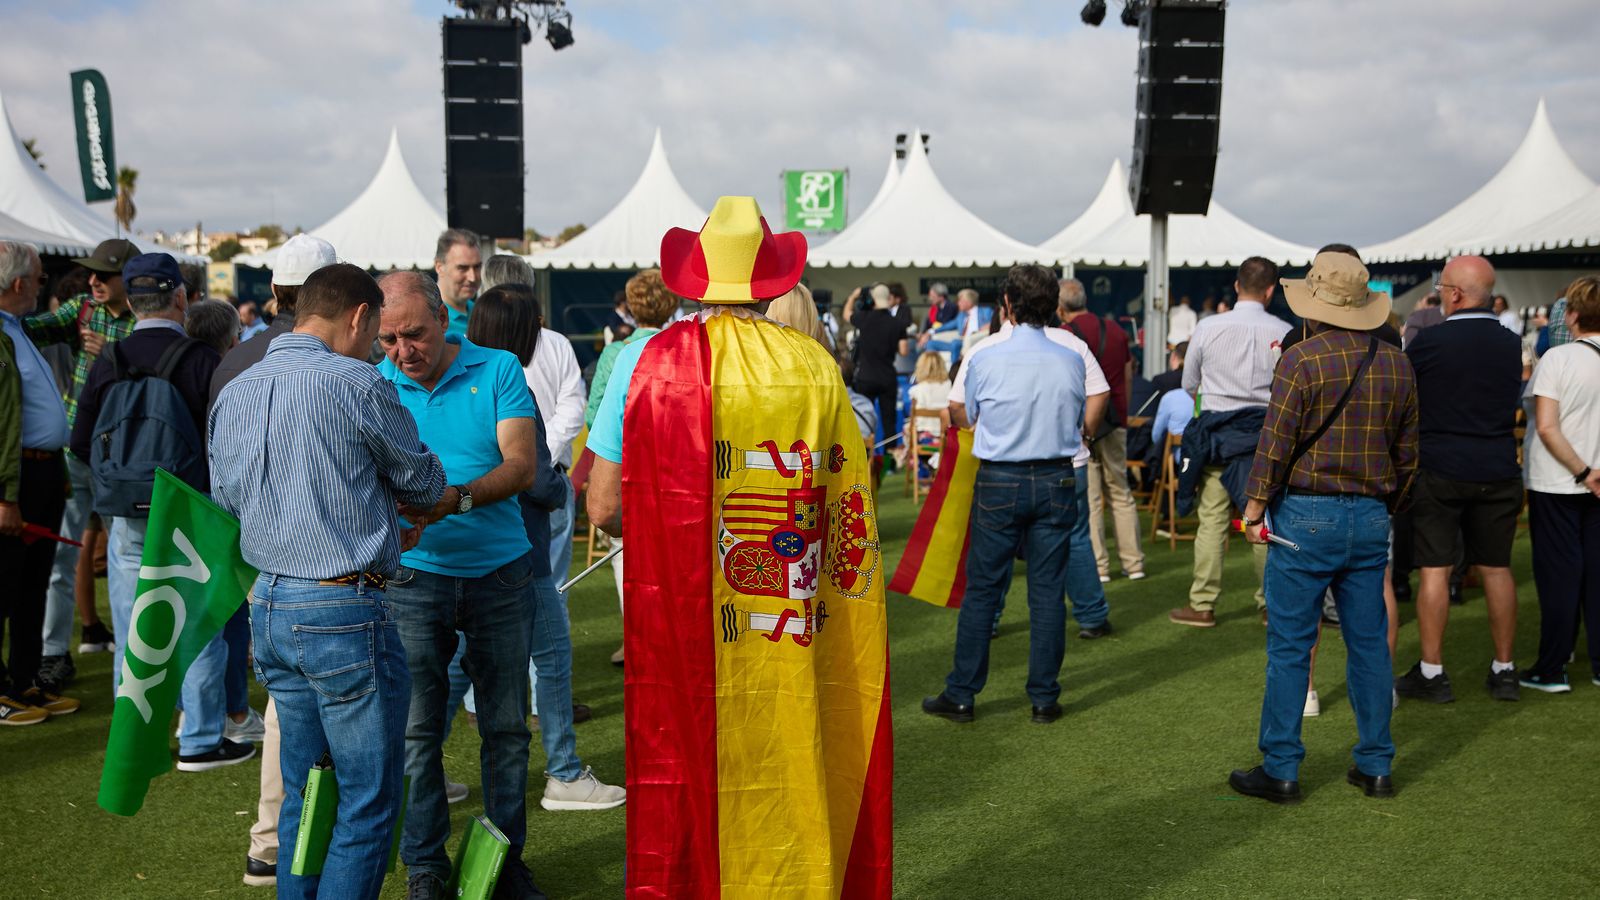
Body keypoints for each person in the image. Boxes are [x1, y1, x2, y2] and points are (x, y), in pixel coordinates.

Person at [585, 196, 891, 897]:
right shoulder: (813, 368)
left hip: (685, 620)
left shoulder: (651, 363)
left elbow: (604, 506)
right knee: (792, 754)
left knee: (684, 769)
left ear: (695, 279)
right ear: (772, 280)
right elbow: (847, 505)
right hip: (788, 620)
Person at [211, 263, 445, 899]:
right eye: (375, 337)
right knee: (363, 803)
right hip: (341, 606)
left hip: (271, 603)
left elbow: (226, 499)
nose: (377, 349)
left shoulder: (238, 385)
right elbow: (422, 483)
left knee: (303, 795)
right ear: (360, 317)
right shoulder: (356, 382)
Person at [371, 271, 544, 899]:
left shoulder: (497, 367)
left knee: (504, 729)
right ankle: (426, 867)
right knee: (418, 730)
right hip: (414, 579)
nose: (400, 350)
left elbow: (521, 465)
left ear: (445, 318)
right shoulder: (374, 382)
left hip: (500, 571)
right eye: (387, 338)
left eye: (413, 334)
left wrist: (454, 500)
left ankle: (502, 864)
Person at [1227, 250, 1416, 805]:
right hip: (1370, 513)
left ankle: (1281, 767)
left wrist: (1254, 510)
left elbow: (1275, 443)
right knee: (1368, 646)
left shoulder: (1302, 359)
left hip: (1307, 513)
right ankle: (1376, 764)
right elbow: (1409, 454)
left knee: (1290, 645)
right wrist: (1386, 506)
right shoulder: (1397, 363)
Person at [72, 253, 244, 771]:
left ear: (128, 299)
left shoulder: (110, 358)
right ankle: (200, 738)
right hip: (188, 507)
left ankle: (138, 746)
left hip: (125, 510)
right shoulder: (199, 360)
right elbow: (227, 441)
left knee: (131, 627)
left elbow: (81, 441)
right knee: (197, 621)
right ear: (180, 297)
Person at [466, 283, 626, 812]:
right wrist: (559, 487)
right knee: (550, 657)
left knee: (453, 670)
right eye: (532, 326)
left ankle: (413, 775)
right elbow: (533, 476)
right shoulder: (509, 383)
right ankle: (562, 771)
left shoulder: (455, 380)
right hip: (520, 549)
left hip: (461, 551)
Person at [210, 232, 338, 889]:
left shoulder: (236, 361)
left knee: (285, 702)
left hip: (260, 557)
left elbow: (221, 476)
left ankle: (273, 838)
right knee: (317, 703)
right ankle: (293, 839)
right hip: (326, 560)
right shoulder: (338, 359)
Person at [924, 263, 1091, 725]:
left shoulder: (983, 355)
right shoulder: (1072, 358)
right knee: (1047, 592)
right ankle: (1043, 697)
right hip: (1056, 476)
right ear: (1052, 306)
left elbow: (964, 415)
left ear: (1008, 306)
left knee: (983, 591)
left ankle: (962, 693)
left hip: (1001, 478)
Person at [947, 285, 1113, 642]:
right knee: (1074, 543)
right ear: (1052, 305)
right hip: (1066, 463)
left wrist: (973, 424)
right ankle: (1092, 615)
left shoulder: (985, 348)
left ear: (1007, 305)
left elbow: (957, 405)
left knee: (996, 549)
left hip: (1005, 466)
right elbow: (1100, 391)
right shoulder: (1071, 345)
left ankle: (989, 619)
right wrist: (1087, 431)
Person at [1397, 255, 1524, 703]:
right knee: (1496, 567)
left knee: (1435, 569)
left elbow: (1405, 402)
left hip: (1440, 467)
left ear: (1453, 294)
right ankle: (1504, 669)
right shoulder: (1512, 343)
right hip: (1497, 465)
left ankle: (1433, 672)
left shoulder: (1429, 343)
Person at [24, 238, 140, 689]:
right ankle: (55, 652)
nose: (92, 280)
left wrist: (105, 357)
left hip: (119, 456)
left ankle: (132, 659)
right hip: (79, 451)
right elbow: (30, 327)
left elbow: (147, 373)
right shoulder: (82, 310)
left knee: (123, 557)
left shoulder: (141, 322)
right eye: (91, 273)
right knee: (62, 555)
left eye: (102, 274)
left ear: (125, 279)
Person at [1170, 257, 1292, 627]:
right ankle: (1271, 605)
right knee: (1263, 521)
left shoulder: (1209, 328)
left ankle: (1203, 603)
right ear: (1271, 291)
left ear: (1238, 286)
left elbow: (1188, 383)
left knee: (1212, 521)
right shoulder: (1284, 330)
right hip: (1262, 439)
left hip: (1217, 436)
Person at [0, 241, 76, 724]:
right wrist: (4, 495)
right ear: (21, 283)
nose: (43, 284)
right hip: (18, 479)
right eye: (42, 277)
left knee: (31, 588)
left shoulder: (17, 328)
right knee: (5, 587)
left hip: (41, 472)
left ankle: (23, 681)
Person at [585, 268, 677, 667]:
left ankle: (636, 637)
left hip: (628, 473)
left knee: (626, 560)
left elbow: (595, 414)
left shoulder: (617, 354)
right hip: (677, 473)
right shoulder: (685, 347)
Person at [1518, 276, 1600, 693]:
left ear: (1571, 315)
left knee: (1559, 575)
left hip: (1560, 480)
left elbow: (1548, 427)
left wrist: (1583, 470)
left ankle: (1552, 667)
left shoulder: (1559, 358)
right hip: (1590, 479)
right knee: (1594, 573)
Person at [1059, 278, 1145, 583]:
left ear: (1060, 306)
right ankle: (1133, 563)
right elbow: (1128, 375)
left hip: (1082, 423)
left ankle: (1100, 566)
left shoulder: (1065, 334)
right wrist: (1122, 413)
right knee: (1121, 492)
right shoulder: (1117, 331)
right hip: (1115, 420)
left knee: (1091, 497)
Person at [849, 284, 902, 447]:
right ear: (889, 298)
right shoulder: (896, 322)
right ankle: (889, 461)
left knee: (862, 417)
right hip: (887, 375)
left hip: (866, 376)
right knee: (889, 421)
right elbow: (904, 350)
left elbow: (847, 315)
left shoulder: (863, 317)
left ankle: (864, 453)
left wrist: (853, 296)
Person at [433, 228, 482, 337]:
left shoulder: (482, 315)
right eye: (462, 268)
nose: (472, 277)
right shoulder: (425, 320)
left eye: (477, 267)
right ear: (439, 267)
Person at [909, 350, 952, 439]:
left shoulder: (916, 390)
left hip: (924, 434)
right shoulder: (950, 386)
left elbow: (915, 421)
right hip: (946, 434)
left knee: (908, 428)